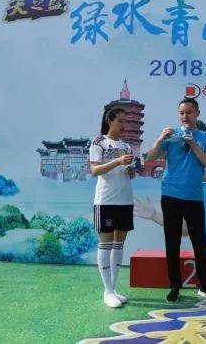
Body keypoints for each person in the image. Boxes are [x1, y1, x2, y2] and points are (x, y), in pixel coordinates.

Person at [145, 97, 206, 303]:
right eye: (181, 112)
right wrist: (160, 138)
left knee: (200, 244)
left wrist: (193, 144)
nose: (185, 116)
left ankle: (205, 286)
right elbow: (150, 157)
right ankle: (175, 287)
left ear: (197, 114)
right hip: (170, 195)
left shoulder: (205, 137)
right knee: (172, 244)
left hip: (194, 197)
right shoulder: (171, 135)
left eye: (189, 112)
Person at [89, 107, 136, 308]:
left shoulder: (127, 146)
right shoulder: (99, 142)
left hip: (125, 200)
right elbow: (94, 170)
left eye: (126, 121)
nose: (124, 125)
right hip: (106, 200)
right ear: (110, 121)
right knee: (106, 243)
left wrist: (131, 171)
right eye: (120, 121)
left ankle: (113, 288)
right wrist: (117, 161)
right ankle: (107, 291)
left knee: (119, 243)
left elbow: (130, 174)